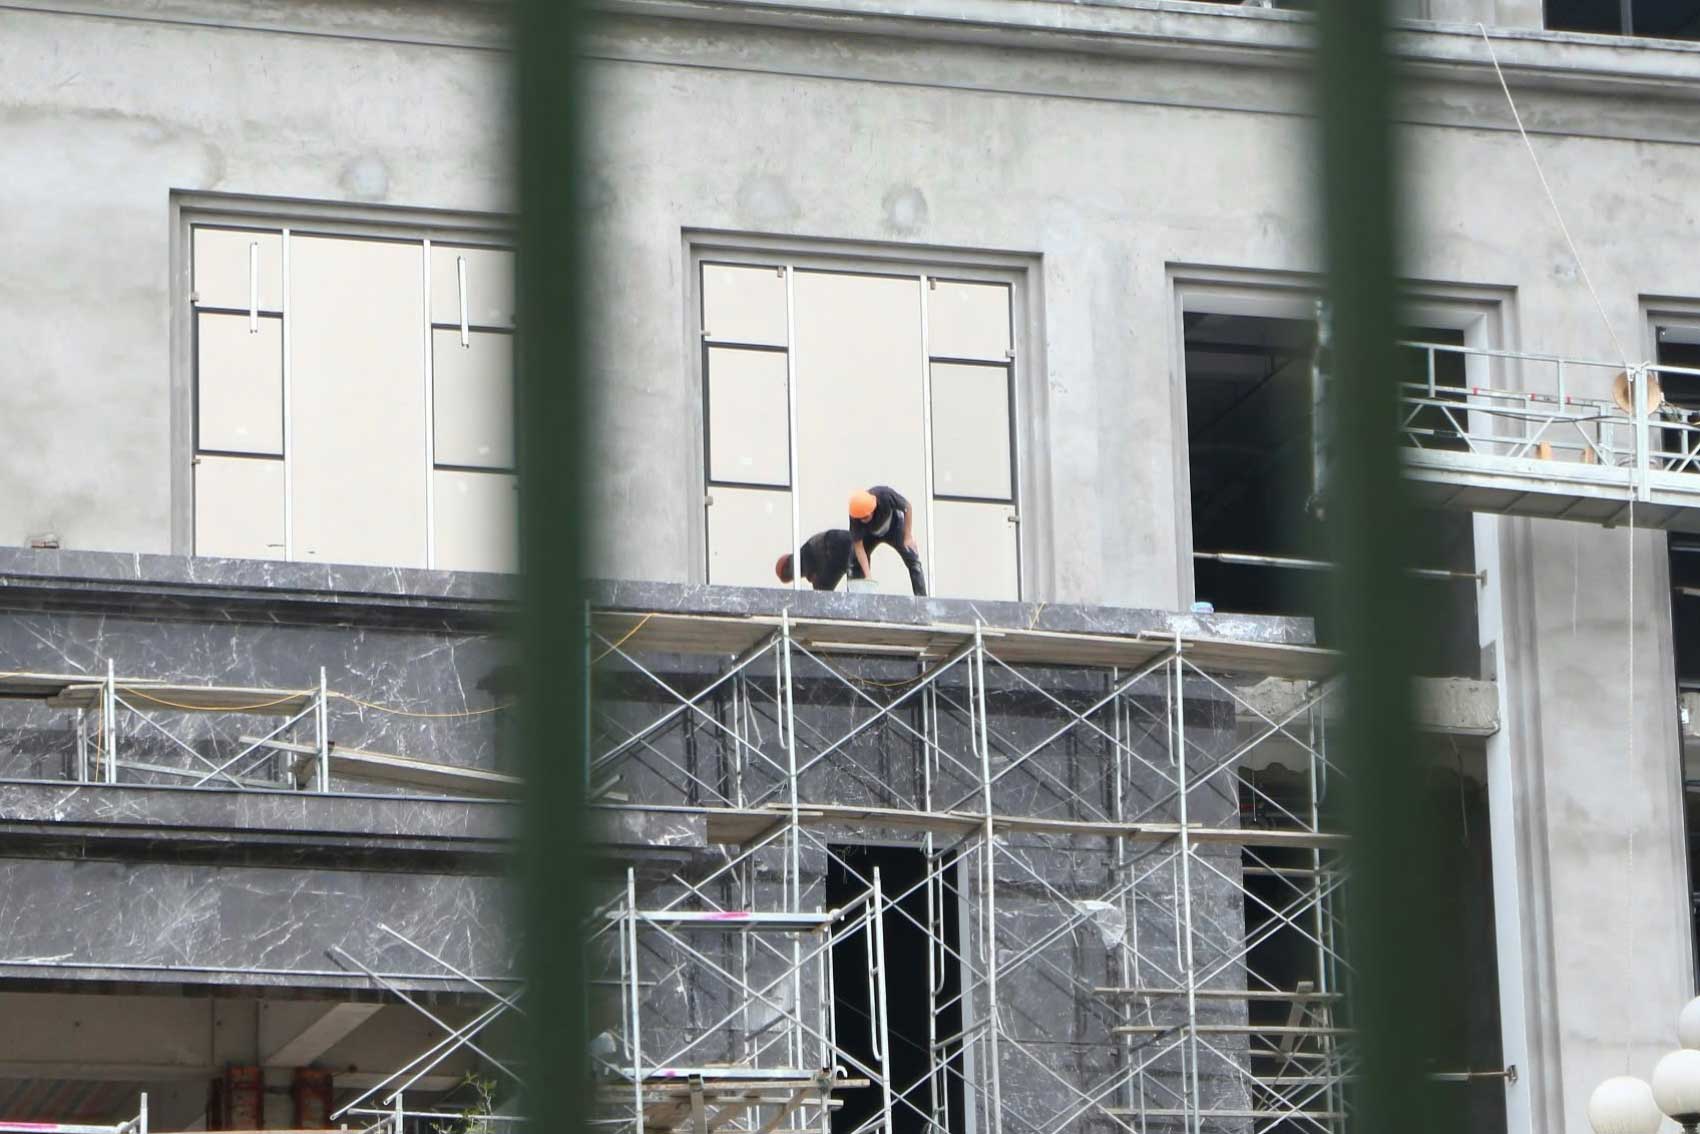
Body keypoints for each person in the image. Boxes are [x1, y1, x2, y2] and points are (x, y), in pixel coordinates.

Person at [848, 486, 927, 596]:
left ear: (873, 508)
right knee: (854, 562)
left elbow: (907, 507)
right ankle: (857, 600)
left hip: (894, 527)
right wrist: (868, 575)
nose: (863, 520)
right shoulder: (855, 515)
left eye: (866, 517)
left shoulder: (885, 495)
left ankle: (921, 600)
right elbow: (859, 547)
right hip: (870, 534)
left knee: (912, 558)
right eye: (860, 518)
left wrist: (908, 537)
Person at [775, 528, 857, 591]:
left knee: (821, 590)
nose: (790, 574)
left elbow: (807, 556)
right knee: (822, 590)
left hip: (832, 545)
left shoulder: (797, 559)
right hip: (840, 544)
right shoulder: (802, 556)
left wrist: (811, 575)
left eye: (786, 573)